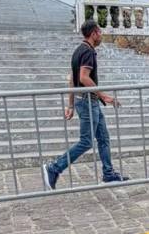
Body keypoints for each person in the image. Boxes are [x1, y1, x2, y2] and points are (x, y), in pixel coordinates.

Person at [42, 19, 129, 189]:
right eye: (100, 32)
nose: (101, 35)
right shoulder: (88, 52)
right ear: (94, 33)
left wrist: (71, 105)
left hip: (86, 101)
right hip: (89, 102)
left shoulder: (78, 51)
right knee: (86, 142)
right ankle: (54, 168)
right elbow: (83, 78)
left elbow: (72, 80)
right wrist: (104, 96)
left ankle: (109, 174)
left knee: (103, 138)